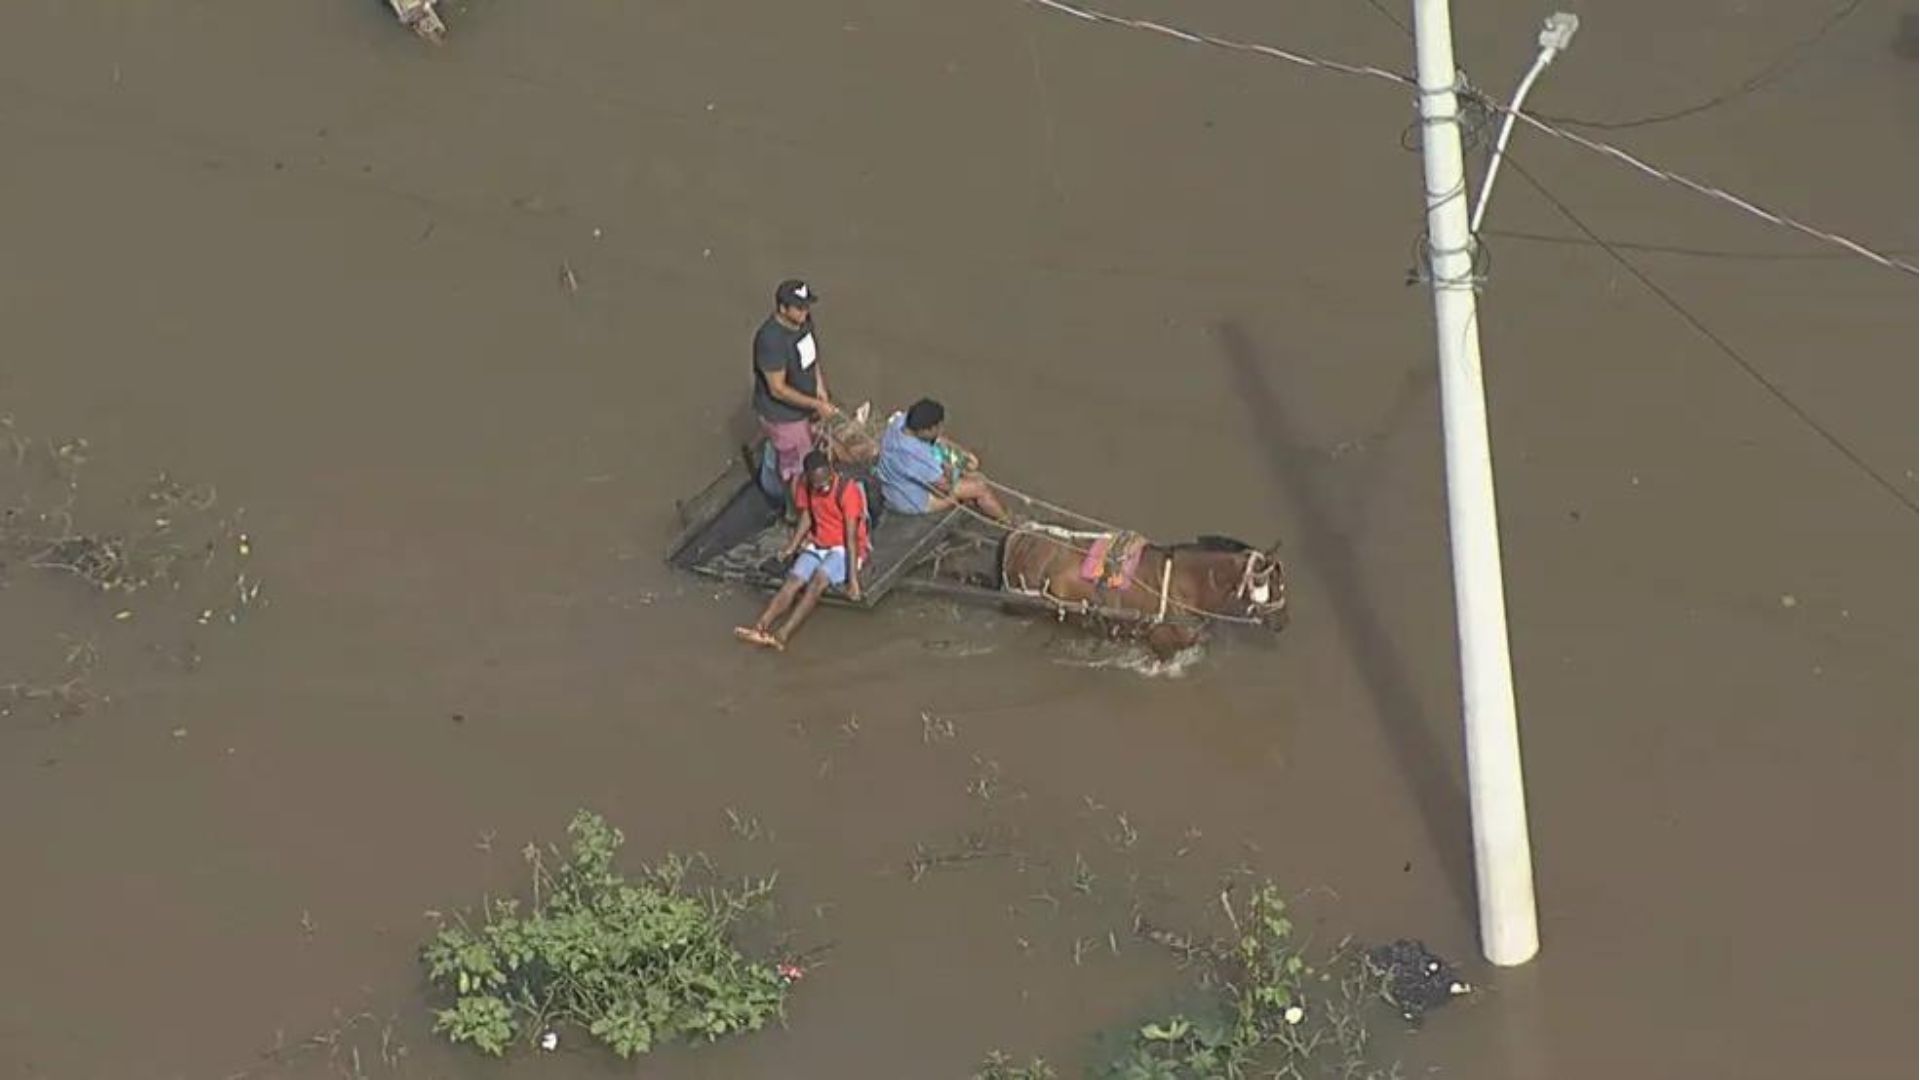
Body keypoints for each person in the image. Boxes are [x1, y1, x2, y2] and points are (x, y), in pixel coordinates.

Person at [735, 451, 870, 651]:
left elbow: (851, 538)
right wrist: (792, 547)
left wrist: (853, 581)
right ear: (808, 478)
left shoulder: (847, 491)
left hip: (843, 548)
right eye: (818, 485)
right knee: (793, 581)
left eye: (826, 482)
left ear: (832, 471)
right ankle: (761, 625)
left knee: (817, 582)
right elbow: (807, 517)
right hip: (819, 543)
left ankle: (783, 634)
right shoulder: (804, 486)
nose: (823, 488)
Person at [751, 278, 836, 489]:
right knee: (797, 468)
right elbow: (777, 389)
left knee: (789, 452)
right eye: (799, 308)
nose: (804, 312)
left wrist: (820, 388)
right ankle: (792, 508)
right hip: (783, 416)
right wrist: (816, 405)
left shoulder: (803, 323)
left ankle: (771, 470)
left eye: (806, 306)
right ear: (782, 308)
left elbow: (811, 357)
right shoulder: (771, 340)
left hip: (805, 405)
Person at [876, 397, 1009, 523]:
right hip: (911, 503)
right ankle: (1007, 522)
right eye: (938, 427)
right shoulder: (919, 459)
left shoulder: (899, 423)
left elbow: (937, 440)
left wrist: (962, 455)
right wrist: (953, 467)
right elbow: (945, 489)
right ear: (925, 430)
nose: (941, 430)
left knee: (967, 471)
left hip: (892, 488)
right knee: (980, 486)